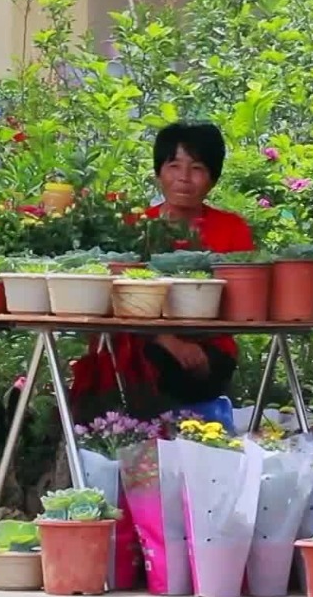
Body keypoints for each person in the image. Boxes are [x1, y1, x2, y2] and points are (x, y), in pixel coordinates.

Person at [69, 121, 254, 422]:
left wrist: (194, 343)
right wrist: (168, 340)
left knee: (197, 372)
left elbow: (241, 299)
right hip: (144, 341)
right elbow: (117, 295)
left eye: (197, 168)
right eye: (174, 165)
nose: (184, 178)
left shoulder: (232, 228)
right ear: (159, 172)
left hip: (210, 343)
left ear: (213, 177)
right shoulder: (135, 226)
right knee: (151, 362)